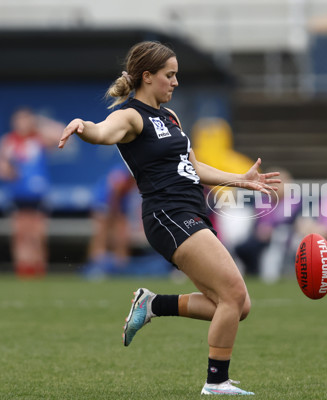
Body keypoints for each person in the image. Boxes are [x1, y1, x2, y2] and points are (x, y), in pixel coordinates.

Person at [58, 41, 280, 395]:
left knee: (239, 306)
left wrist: (241, 180)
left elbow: (191, 166)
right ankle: (216, 382)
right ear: (147, 77)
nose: (175, 82)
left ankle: (153, 304)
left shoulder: (171, 117)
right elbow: (103, 131)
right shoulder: (131, 115)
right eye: (169, 75)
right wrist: (82, 126)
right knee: (233, 295)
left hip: (190, 211)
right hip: (167, 214)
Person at [0, 107, 64, 278]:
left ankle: (38, 268)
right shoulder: (9, 141)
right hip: (18, 194)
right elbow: (3, 168)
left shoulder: (38, 139)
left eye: (25, 120)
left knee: (37, 234)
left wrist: (39, 122)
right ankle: (23, 269)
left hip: (38, 194)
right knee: (21, 234)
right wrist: (8, 171)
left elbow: (60, 134)